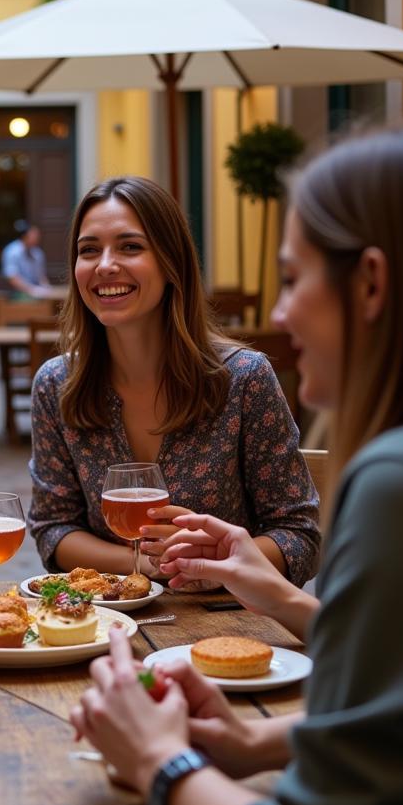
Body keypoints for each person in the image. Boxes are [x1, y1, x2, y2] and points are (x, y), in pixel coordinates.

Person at [72, 120, 403, 805]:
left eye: (292, 279)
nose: (280, 315)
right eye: (89, 249)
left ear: (371, 282)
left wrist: (159, 762)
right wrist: (253, 741)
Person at [28, 177, 320, 587]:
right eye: (89, 250)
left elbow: (300, 536)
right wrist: (145, 566)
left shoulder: (242, 378)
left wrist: (216, 564)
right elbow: (53, 529)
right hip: (109, 624)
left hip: (226, 625)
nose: (105, 264)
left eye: (130, 246)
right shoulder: (56, 384)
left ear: (171, 263)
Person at [1, 219, 51, 298]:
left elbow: (41, 275)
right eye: (34, 234)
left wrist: (46, 287)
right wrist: (32, 290)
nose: (38, 237)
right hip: (16, 294)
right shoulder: (12, 251)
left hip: (37, 294)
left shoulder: (38, 253)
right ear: (25, 236)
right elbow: (12, 277)